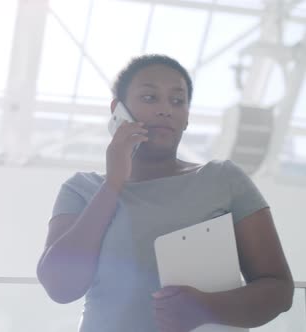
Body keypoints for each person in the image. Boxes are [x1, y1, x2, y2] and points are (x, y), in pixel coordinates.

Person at [36, 54, 294, 332]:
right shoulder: (81, 189)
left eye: (177, 101)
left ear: (186, 117)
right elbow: (60, 287)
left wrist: (206, 309)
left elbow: (278, 290)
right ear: (117, 110)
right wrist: (113, 184)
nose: (165, 110)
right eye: (149, 98)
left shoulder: (224, 179)